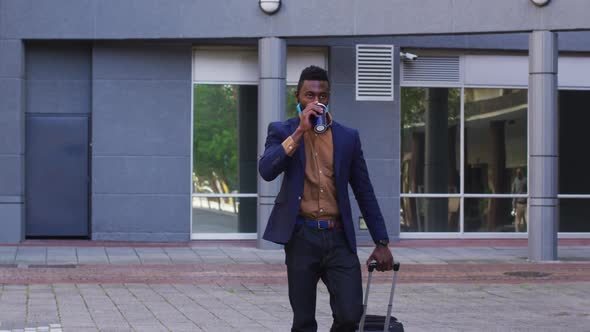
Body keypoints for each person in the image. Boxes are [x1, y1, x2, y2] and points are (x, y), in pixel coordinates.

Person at [259, 65, 394, 332]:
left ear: (329, 97)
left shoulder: (347, 137)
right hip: (301, 237)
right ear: (298, 96)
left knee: (350, 315)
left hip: (338, 237)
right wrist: (299, 133)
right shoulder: (281, 130)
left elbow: (363, 189)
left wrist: (382, 241)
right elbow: (266, 170)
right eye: (309, 95)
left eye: (322, 95)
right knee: (304, 320)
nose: (316, 101)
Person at [511, 168, 527, 232]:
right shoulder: (515, 181)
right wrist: (513, 207)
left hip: (526, 204)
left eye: (519, 172)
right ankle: (517, 235)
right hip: (518, 204)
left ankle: (527, 235)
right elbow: (513, 193)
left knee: (527, 221)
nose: (518, 174)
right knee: (517, 222)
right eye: (517, 173)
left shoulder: (525, 180)